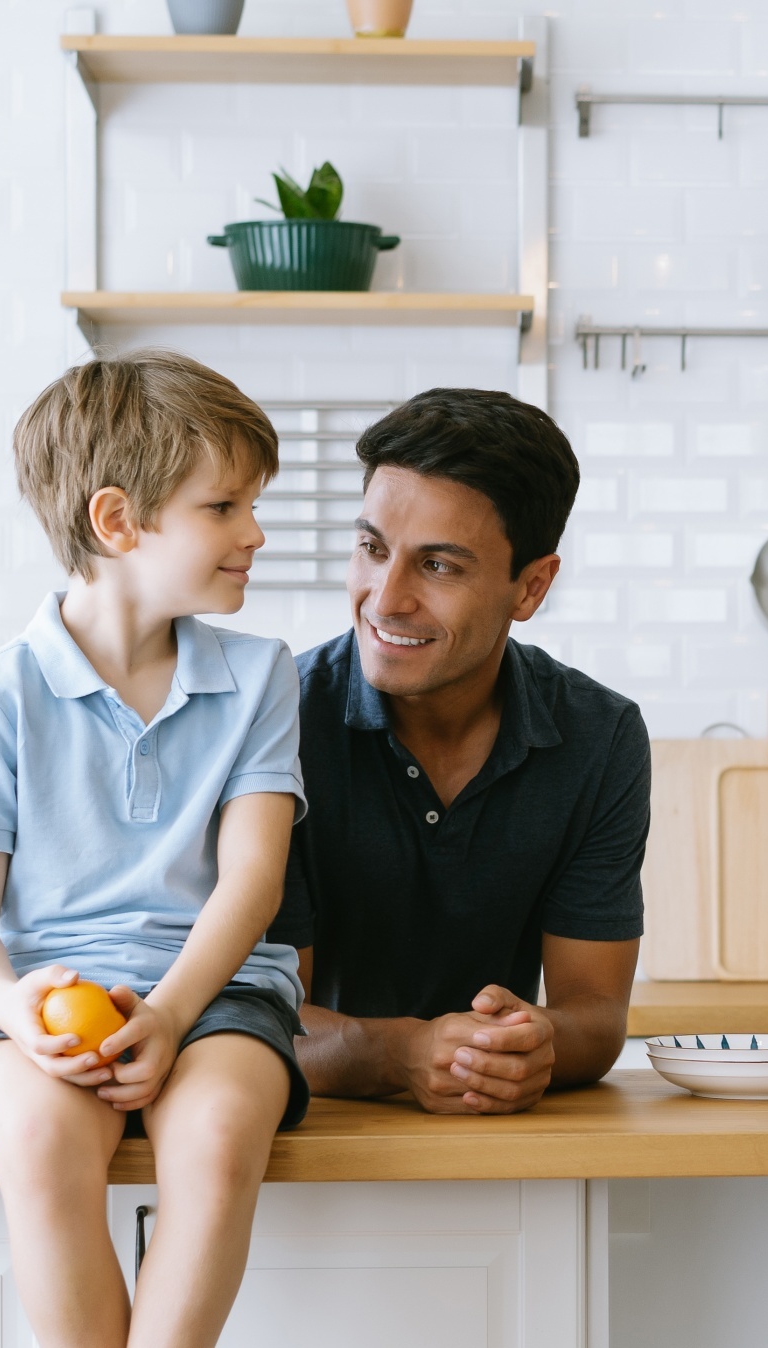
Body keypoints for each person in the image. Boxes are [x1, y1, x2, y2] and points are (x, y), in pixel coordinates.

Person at [0, 350, 306, 1346]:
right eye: (224, 507)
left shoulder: (262, 674)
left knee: (222, 1136)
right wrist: (16, 1009)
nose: (254, 532)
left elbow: (253, 879)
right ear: (117, 521)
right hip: (46, 1004)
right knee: (39, 1134)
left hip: (217, 991)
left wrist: (174, 1013)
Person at [272, 388, 649, 1113]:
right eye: (372, 549)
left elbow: (595, 1014)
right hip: (312, 1148)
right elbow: (260, 1019)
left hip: (507, 1145)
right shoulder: (275, 721)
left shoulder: (601, 737)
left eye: (439, 566)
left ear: (531, 586)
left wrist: (535, 1041)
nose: (386, 598)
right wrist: (401, 1053)